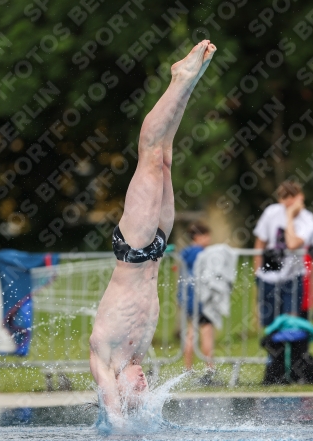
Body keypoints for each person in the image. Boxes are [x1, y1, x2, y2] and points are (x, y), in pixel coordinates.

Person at [89, 39, 217, 417]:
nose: (145, 386)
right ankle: (190, 83)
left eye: (138, 392)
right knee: (165, 158)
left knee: (149, 153)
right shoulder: (137, 354)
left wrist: (121, 418)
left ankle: (179, 78)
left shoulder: (106, 360)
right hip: (156, 247)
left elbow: (113, 416)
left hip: (134, 247)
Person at [254, 180, 313, 327]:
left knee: (291, 323)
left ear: (301, 197)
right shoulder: (271, 212)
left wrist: (289, 216)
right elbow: (260, 241)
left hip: (293, 277)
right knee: (271, 325)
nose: (288, 201)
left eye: (292, 196)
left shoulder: (307, 219)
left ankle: (292, 350)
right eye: (284, 197)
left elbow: (293, 244)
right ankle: (273, 351)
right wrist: (257, 271)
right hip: (268, 277)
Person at [178, 223, 216, 377]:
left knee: (191, 333)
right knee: (207, 332)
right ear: (197, 237)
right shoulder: (202, 253)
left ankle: (188, 369)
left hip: (187, 297)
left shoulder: (184, 253)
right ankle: (210, 369)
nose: (209, 239)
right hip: (201, 298)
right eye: (206, 236)